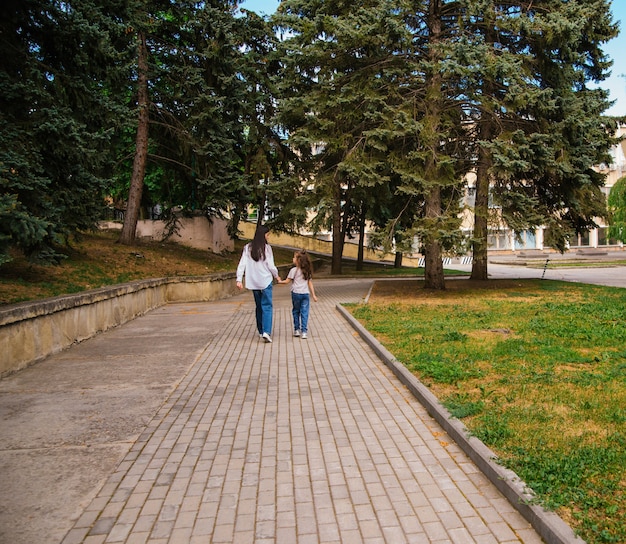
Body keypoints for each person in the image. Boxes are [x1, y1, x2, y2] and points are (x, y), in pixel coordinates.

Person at [236, 224, 280, 343]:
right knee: (267, 306)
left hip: (253, 282)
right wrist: (277, 276)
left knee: (259, 306)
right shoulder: (267, 248)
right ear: (263, 235)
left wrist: (239, 279)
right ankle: (266, 331)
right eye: (267, 234)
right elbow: (271, 266)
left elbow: (242, 264)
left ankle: (261, 331)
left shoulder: (247, 248)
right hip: (265, 280)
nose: (268, 237)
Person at [279, 249, 318, 339]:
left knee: (296, 311)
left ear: (298, 260)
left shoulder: (293, 270)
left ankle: (297, 330)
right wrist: (314, 295)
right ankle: (304, 332)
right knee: (305, 312)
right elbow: (310, 283)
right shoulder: (307, 271)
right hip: (305, 294)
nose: (293, 259)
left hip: (296, 293)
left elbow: (287, 281)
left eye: (294, 257)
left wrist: (280, 281)